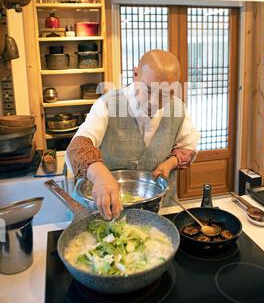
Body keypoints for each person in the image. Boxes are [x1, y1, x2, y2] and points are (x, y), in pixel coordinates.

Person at [66, 50, 199, 220]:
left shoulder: (179, 109)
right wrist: (99, 175)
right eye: (148, 90)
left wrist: (171, 163)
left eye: (165, 94)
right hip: (105, 210)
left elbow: (188, 147)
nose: (154, 102)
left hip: (158, 209)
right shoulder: (107, 104)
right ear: (136, 74)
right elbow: (77, 147)